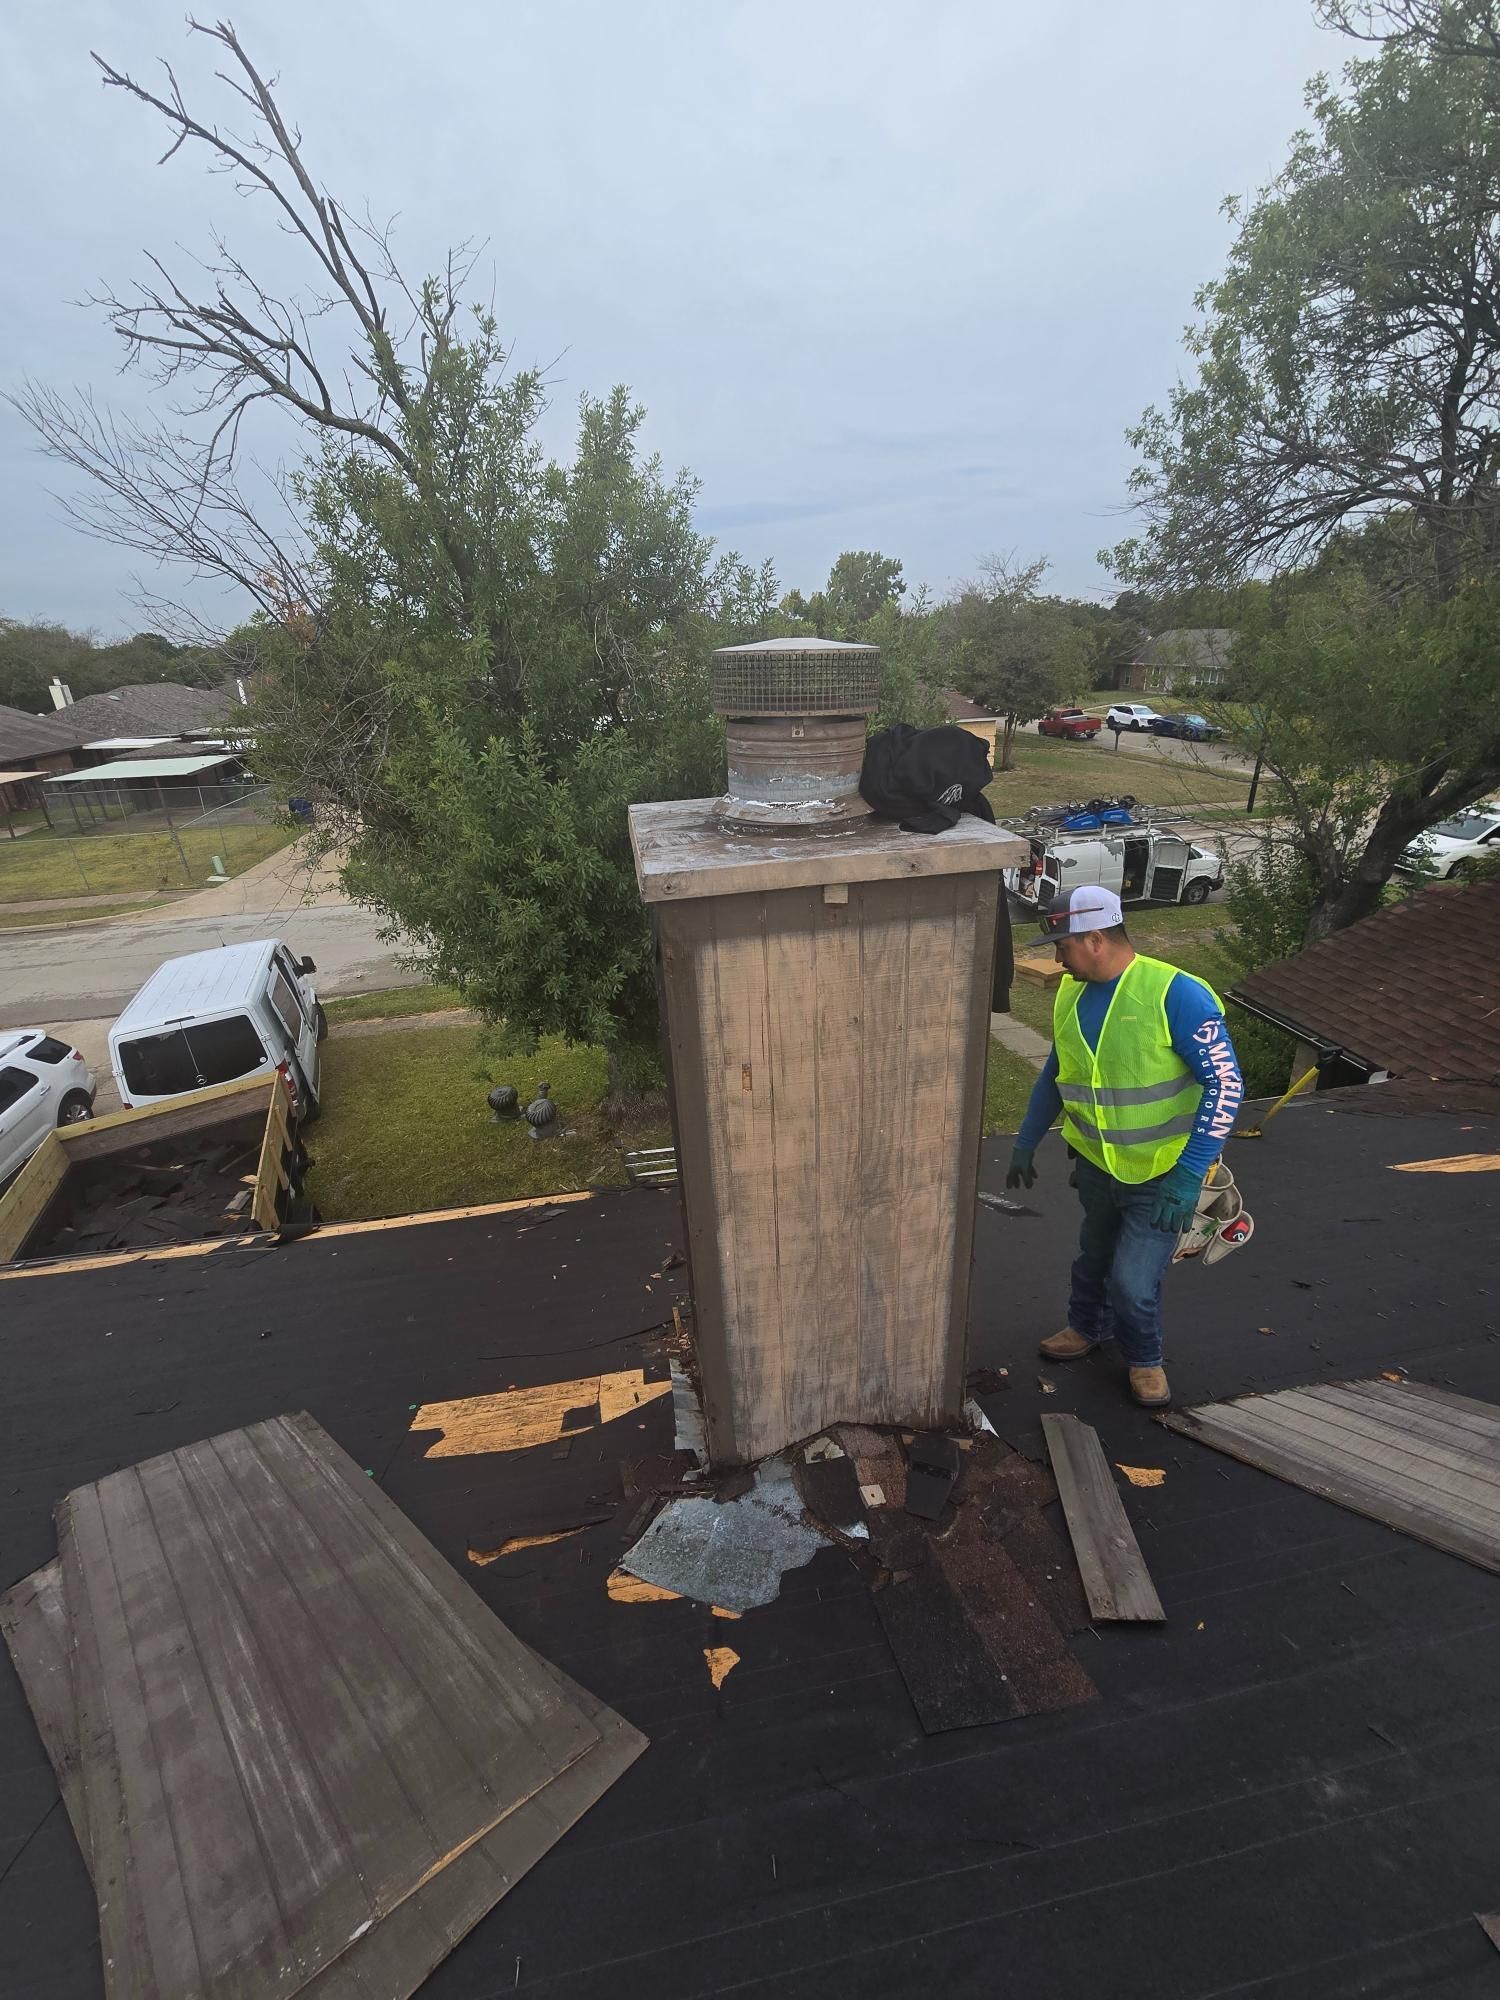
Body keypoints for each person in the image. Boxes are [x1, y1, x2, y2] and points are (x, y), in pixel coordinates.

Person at [1006, 884, 1244, 1409]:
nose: (1057, 960)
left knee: (1133, 1282)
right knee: (1092, 1259)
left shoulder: (1176, 995)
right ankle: (1086, 1327)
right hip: (1096, 1166)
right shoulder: (1071, 992)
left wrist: (1189, 1174)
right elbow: (1059, 1070)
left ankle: (1145, 1359)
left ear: (1094, 938)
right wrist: (1027, 1137)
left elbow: (1227, 1086)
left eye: (1062, 947)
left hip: (1163, 1175)